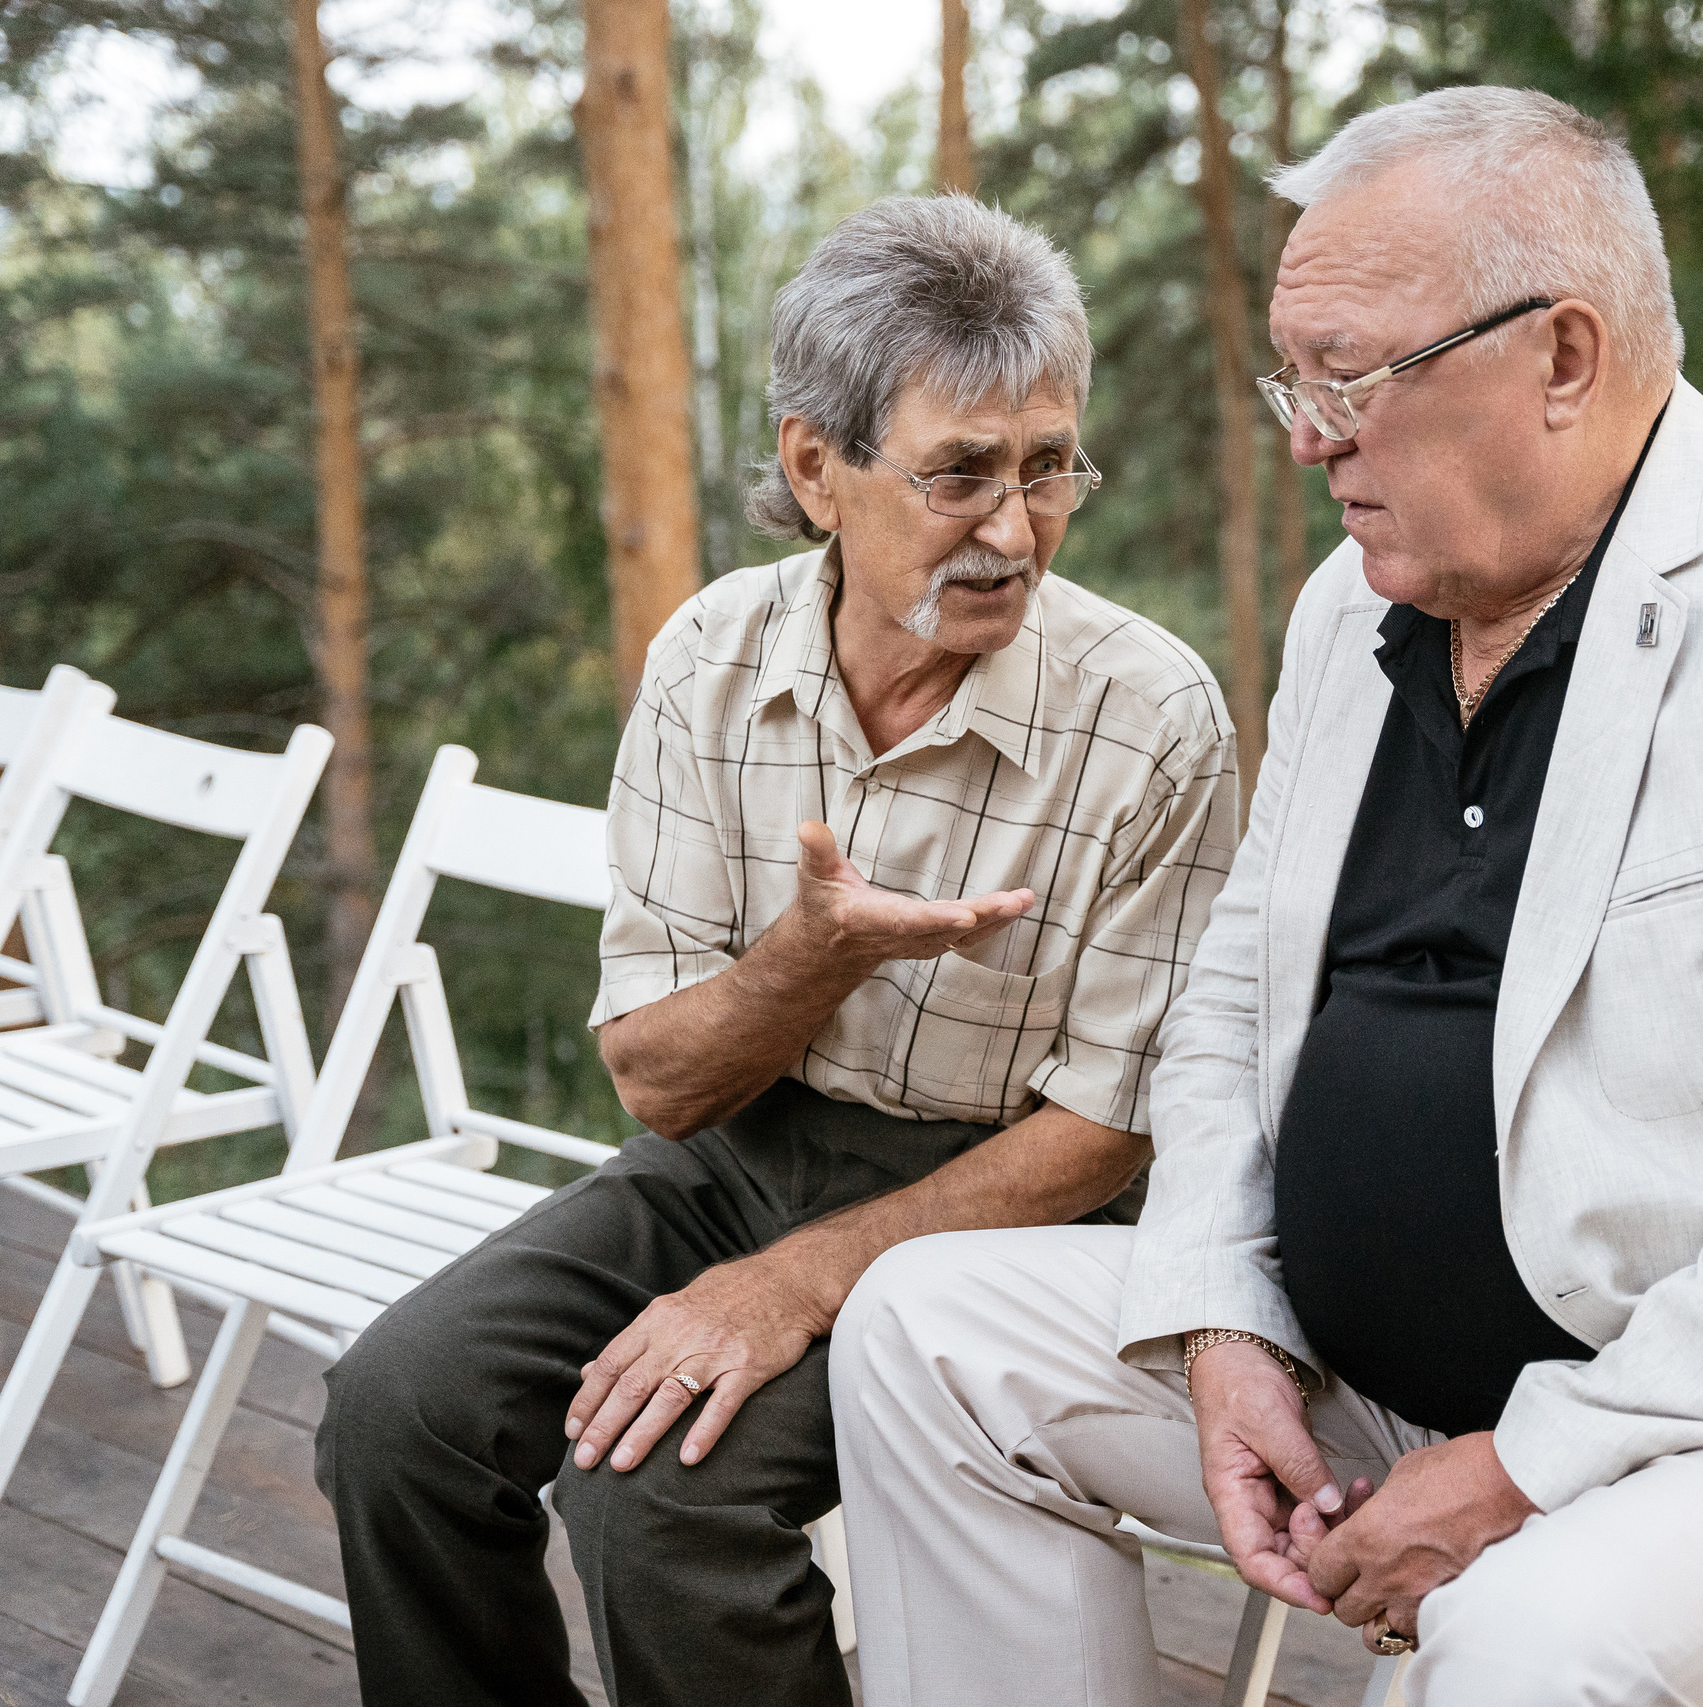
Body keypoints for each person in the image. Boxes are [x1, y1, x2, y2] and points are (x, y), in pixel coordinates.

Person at [829, 89, 1703, 1707]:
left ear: (1563, 355)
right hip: (1378, 1383)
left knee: (1533, 1640)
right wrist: (1222, 1325)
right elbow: (1238, 1001)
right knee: (926, 1334)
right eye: (1295, 375)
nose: (1306, 433)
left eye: (1351, 375)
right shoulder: (1355, 607)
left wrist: (1526, 1466)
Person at [312, 195, 1237, 1707]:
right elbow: (659, 1087)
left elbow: (1104, 1134)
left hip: (1008, 1218)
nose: (1014, 529)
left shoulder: (1154, 717)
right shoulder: (711, 659)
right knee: (398, 1413)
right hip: (731, 1160)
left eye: (1047, 467)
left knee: (658, 1500)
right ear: (819, 468)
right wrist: (809, 963)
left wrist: (797, 1282)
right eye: (958, 475)